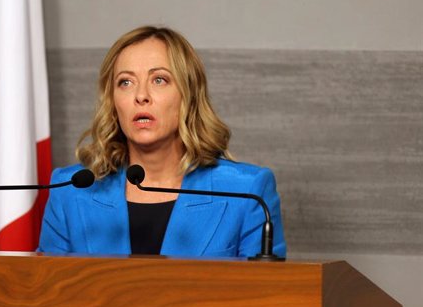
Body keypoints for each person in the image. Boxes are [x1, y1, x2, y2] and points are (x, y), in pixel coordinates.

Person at [38, 26, 286, 257]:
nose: (141, 96)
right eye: (125, 82)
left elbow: (267, 299)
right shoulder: (69, 191)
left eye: (159, 80)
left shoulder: (247, 193)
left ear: (188, 96)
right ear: (113, 102)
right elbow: (45, 297)